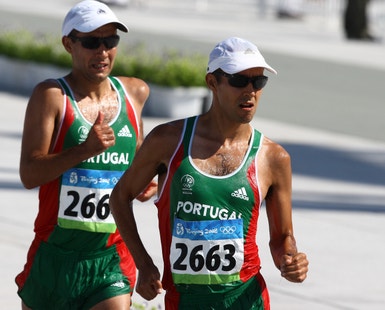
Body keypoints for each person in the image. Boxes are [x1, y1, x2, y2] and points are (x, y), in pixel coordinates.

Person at [110, 36, 309, 309]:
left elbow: (281, 239)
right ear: (212, 83)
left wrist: (290, 259)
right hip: (186, 300)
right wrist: (143, 264)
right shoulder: (168, 141)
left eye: (258, 81)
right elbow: (120, 197)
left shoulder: (274, 158)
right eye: (239, 81)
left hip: (245, 299)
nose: (250, 90)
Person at [15, 0, 156, 309]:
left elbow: (136, 163)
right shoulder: (51, 96)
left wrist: (143, 183)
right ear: (69, 44)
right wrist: (84, 151)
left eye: (111, 41)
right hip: (53, 254)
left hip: (110, 257)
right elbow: (29, 174)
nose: (102, 51)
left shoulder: (135, 93)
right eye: (92, 42)